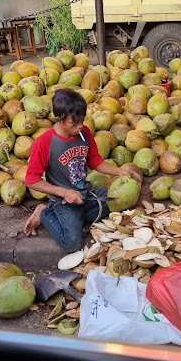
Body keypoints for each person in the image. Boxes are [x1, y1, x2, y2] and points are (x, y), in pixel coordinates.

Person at [24, 88, 142, 251]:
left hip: (85, 194)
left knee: (119, 203)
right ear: (60, 118)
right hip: (63, 201)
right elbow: (31, 180)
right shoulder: (44, 142)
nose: (80, 126)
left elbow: (94, 161)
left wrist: (119, 171)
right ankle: (45, 213)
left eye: (82, 120)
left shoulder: (84, 133)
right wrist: (65, 193)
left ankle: (79, 217)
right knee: (72, 244)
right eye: (74, 122)